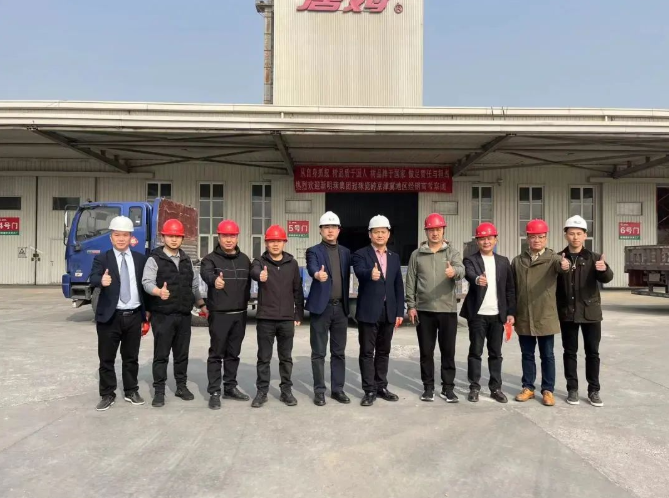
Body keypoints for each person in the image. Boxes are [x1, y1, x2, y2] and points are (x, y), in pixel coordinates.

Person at [142, 219, 207, 408]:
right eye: (170, 236)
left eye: (177, 236)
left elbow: (193, 286)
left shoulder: (187, 260)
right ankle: (159, 391)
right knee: (161, 355)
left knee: (181, 355)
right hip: (163, 315)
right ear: (163, 237)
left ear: (182, 239)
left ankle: (181, 387)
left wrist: (202, 305)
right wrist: (158, 292)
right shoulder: (154, 259)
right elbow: (147, 282)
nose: (173, 239)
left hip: (184, 315)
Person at [89, 215, 149, 411]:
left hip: (133, 315)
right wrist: (101, 281)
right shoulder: (102, 258)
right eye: (117, 235)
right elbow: (93, 277)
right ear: (111, 237)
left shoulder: (140, 260)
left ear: (131, 237)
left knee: (131, 358)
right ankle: (107, 394)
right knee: (106, 358)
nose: (121, 239)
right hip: (110, 317)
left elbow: (144, 286)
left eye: (125, 235)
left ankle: (131, 391)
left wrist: (147, 313)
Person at [405, 213, 465, 403]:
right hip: (424, 310)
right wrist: (411, 305)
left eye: (438, 229)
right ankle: (428, 388)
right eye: (431, 230)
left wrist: (454, 271)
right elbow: (411, 281)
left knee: (448, 352)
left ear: (443, 230)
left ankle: (448, 388)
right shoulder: (417, 255)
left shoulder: (452, 253)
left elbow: (461, 269)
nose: (435, 233)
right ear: (426, 232)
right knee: (426, 352)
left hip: (447, 310)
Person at [557, 215, 613, 407]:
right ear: (566, 235)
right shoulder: (559, 258)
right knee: (569, 352)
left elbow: (607, 278)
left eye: (579, 233)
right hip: (568, 313)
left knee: (592, 353)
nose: (575, 237)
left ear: (585, 236)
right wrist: (560, 269)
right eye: (571, 233)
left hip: (591, 313)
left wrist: (603, 269)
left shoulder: (594, 258)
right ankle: (572, 389)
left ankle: (593, 390)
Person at [512, 219, 569, 407]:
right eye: (533, 237)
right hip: (524, 315)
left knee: (547, 355)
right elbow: (512, 289)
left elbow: (562, 267)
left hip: (545, 315)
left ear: (546, 238)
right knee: (527, 354)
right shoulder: (518, 261)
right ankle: (528, 387)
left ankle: (548, 390)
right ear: (527, 238)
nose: (537, 240)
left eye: (541, 237)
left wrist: (566, 265)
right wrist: (511, 313)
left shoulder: (553, 259)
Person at [352, 215, 405, 407]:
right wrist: (369, 274)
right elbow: (359, 271)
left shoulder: (394, 257)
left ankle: (381, 386)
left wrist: (399, 311)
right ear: (370, 234)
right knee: (367, 352)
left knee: (383, 351)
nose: (380, 235)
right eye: (376, 232)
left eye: (383, 232)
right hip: (368, 311)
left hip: (389, 311)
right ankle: (369, 390)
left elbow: (398, 285)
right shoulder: (361, 254)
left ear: (388, 234)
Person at [460, 222, 516, 404]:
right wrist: (477, 279)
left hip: (497, 315)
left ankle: (495, 388)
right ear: (477, 241)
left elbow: (510, 289)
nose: (486, 242)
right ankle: (474, 387)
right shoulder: (470, 260)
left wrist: (510, 312)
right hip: (478, 314)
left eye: (489, 238)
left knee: (495, 353)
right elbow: (469, 273)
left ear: (495, 240)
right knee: (475, 351)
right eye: (482, 239)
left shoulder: (503, 261)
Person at [249, 225, 304, 408]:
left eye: (278, 241)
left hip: (286, 319)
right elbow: (254, 271)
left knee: (286, 358)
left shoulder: (292, 263)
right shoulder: (259, 261)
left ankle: (286, 391)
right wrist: (260, 275)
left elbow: (297, 290)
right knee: (264, 358)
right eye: (271, 241)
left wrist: (298, 313)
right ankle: (262, 392)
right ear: (266, 243)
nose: (275, 244)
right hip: (266, 318)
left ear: (284, 243)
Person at [200, 220, 252, 410]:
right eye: (225, 236)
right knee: (216, 354)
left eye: (232, 236)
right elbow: (206, 274)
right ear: (219, 237)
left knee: (233, 354)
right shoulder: (210, 259)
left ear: (237, 237)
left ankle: (230, 387)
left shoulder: (245, 259)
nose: (229, 240)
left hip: (240, 314)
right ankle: (214, 392)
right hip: (219, 314)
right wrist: (214, 280)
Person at [305, 211, 352, 406]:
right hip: (321, 308)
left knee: (339, 352)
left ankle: (338, 390)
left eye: (333, 227)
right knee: (318, 352)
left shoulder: (346, 252)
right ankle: (319, 391)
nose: (330, 230)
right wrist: (317, 275)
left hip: (341, 308)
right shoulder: (313, 251)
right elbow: (312, 267)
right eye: (326, 227)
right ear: (320, 230)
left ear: (339, 230)